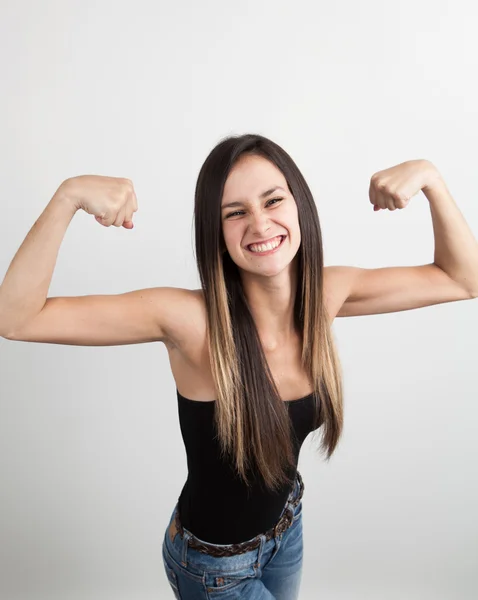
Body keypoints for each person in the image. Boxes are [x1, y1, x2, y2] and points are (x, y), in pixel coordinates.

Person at [1, 133, 477, 599]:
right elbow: (16, 319)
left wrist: (433, 180)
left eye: (272, 201)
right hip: (216, 569)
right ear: (217, 231)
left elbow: (463, 279)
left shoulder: (327, 296)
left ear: (299, 207)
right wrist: (67, 198)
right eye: (236, 213)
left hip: (286, 530)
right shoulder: (190, 323)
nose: (260, 224)